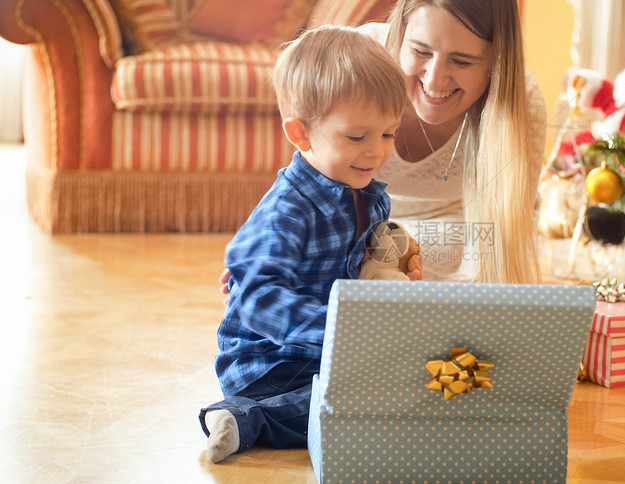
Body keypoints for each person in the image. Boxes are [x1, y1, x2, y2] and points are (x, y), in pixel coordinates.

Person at [219, 0, 547, 289]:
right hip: (350, 224)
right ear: (399, 32)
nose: (434, 81)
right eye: (420, 51)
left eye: (461, 61)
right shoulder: (359, 61)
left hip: (445, 234)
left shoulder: (520, 103)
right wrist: (267, 251)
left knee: (474, 247)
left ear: (496, 61)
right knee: (334, 257)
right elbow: (307, 184)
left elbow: (503, 241)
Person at [199, 25, 408, 464]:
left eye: (388, 134)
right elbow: (256, 298)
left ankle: (282, 413)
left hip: (324, 354)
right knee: (364, 400)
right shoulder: (288, 209)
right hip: (269, 362)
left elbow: (369, 256)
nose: (377, 152)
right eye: (358, 137)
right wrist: (343, 330)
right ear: (301, 133)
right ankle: (246, 418)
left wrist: (395, 259)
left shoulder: (370, 194)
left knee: (401, 384)